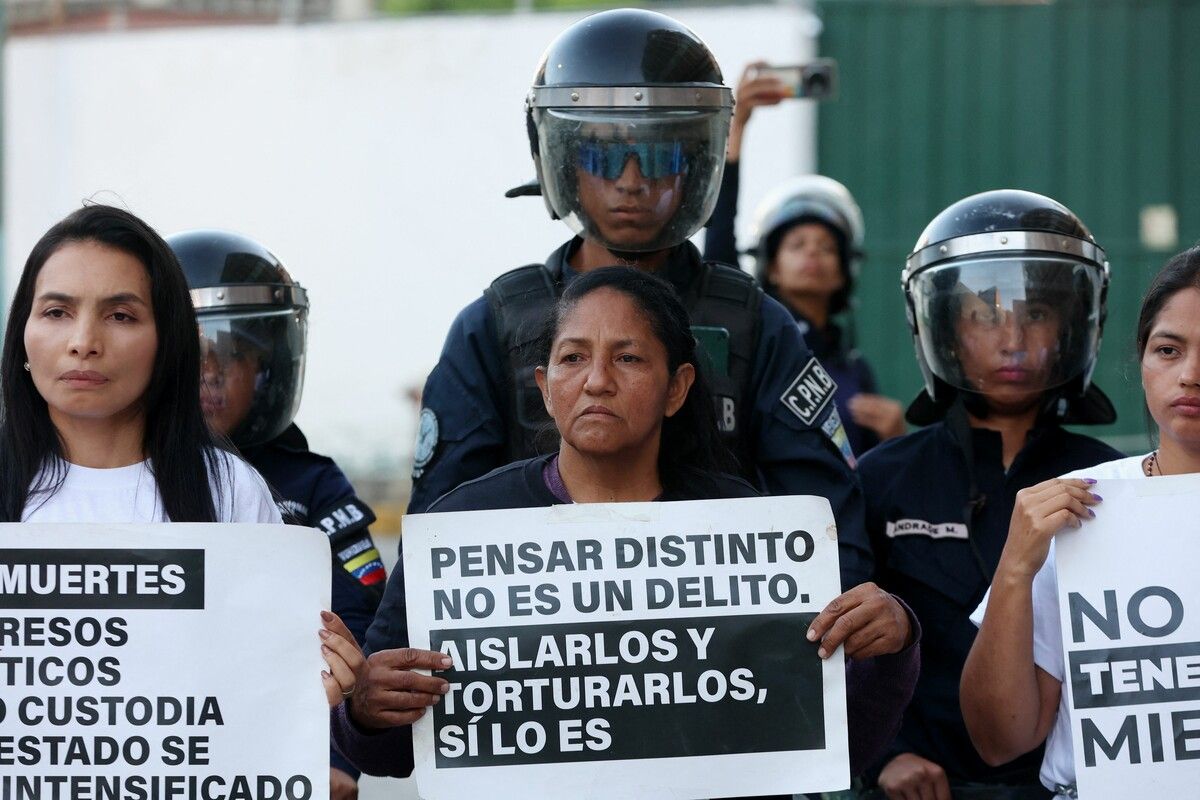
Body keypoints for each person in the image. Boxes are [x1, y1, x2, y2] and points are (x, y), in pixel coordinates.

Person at [332, 267, 920, 793]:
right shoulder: (459, 527)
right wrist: (364, 709)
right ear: (544, 387)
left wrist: (896, 644)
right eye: (572, 358)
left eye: (628, 358)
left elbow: (830, 746)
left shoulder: (756, 530)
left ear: (678, 387)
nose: (596, 381)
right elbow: (387, 756)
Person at [410, 8, 873, 590]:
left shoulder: (753, 322)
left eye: (659, 156)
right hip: (537, 651)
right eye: (603, 156)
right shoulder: (499, 323)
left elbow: (829, 529)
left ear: (698, 164)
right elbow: (437, 542)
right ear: (563, 161)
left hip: (718, 652)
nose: (631, 181)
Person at [0, 203, 359, 714]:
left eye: (120, 315)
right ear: (22, 337)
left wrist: (304, 696)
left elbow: (262, 696)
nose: (83, 343)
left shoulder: (230, 489)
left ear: (167, 343)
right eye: (57, 312)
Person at [856, 190, 1123, 799]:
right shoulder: (880, 479)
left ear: (1076, 324)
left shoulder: (1113, 481)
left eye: (1037, 314)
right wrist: (883, 758)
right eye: (983, 315)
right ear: (942, 326)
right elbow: (838, 646)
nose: (1012, 339)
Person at [961, 245, 1200, 797]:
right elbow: (1001, 739)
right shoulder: (1086, 507)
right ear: (1141, 361)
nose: (1190, 375)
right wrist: (1015, 569)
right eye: (1168, 349)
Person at [169, 228, 387, 800]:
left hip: (280, 758)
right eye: (193, 356)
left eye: (233, 354)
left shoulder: (312, 484)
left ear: (268, 368)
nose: (210, 373)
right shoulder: (123, 475)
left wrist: (336, 760)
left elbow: (359, 630)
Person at [703, 63, 905, 455]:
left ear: (844, 272)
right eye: (797, 245)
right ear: (771, 265)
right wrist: (736, 124)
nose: (813, 252)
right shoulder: (753, 332)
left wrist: (897, 439)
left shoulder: (855, 369)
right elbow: (718, 244)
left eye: (828, 247)